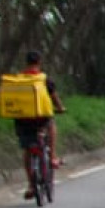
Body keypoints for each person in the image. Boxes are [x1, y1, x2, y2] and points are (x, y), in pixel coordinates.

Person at [10, 51, 65, 195]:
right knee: (51, 124)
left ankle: (31, 185)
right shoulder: (44, 79)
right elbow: (54, 97)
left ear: (26, 62)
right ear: (39, 62)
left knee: (28, 150)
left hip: (23, 120)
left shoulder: (18, 79)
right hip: (42, 118)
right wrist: (60, 108)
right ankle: (52, 157)